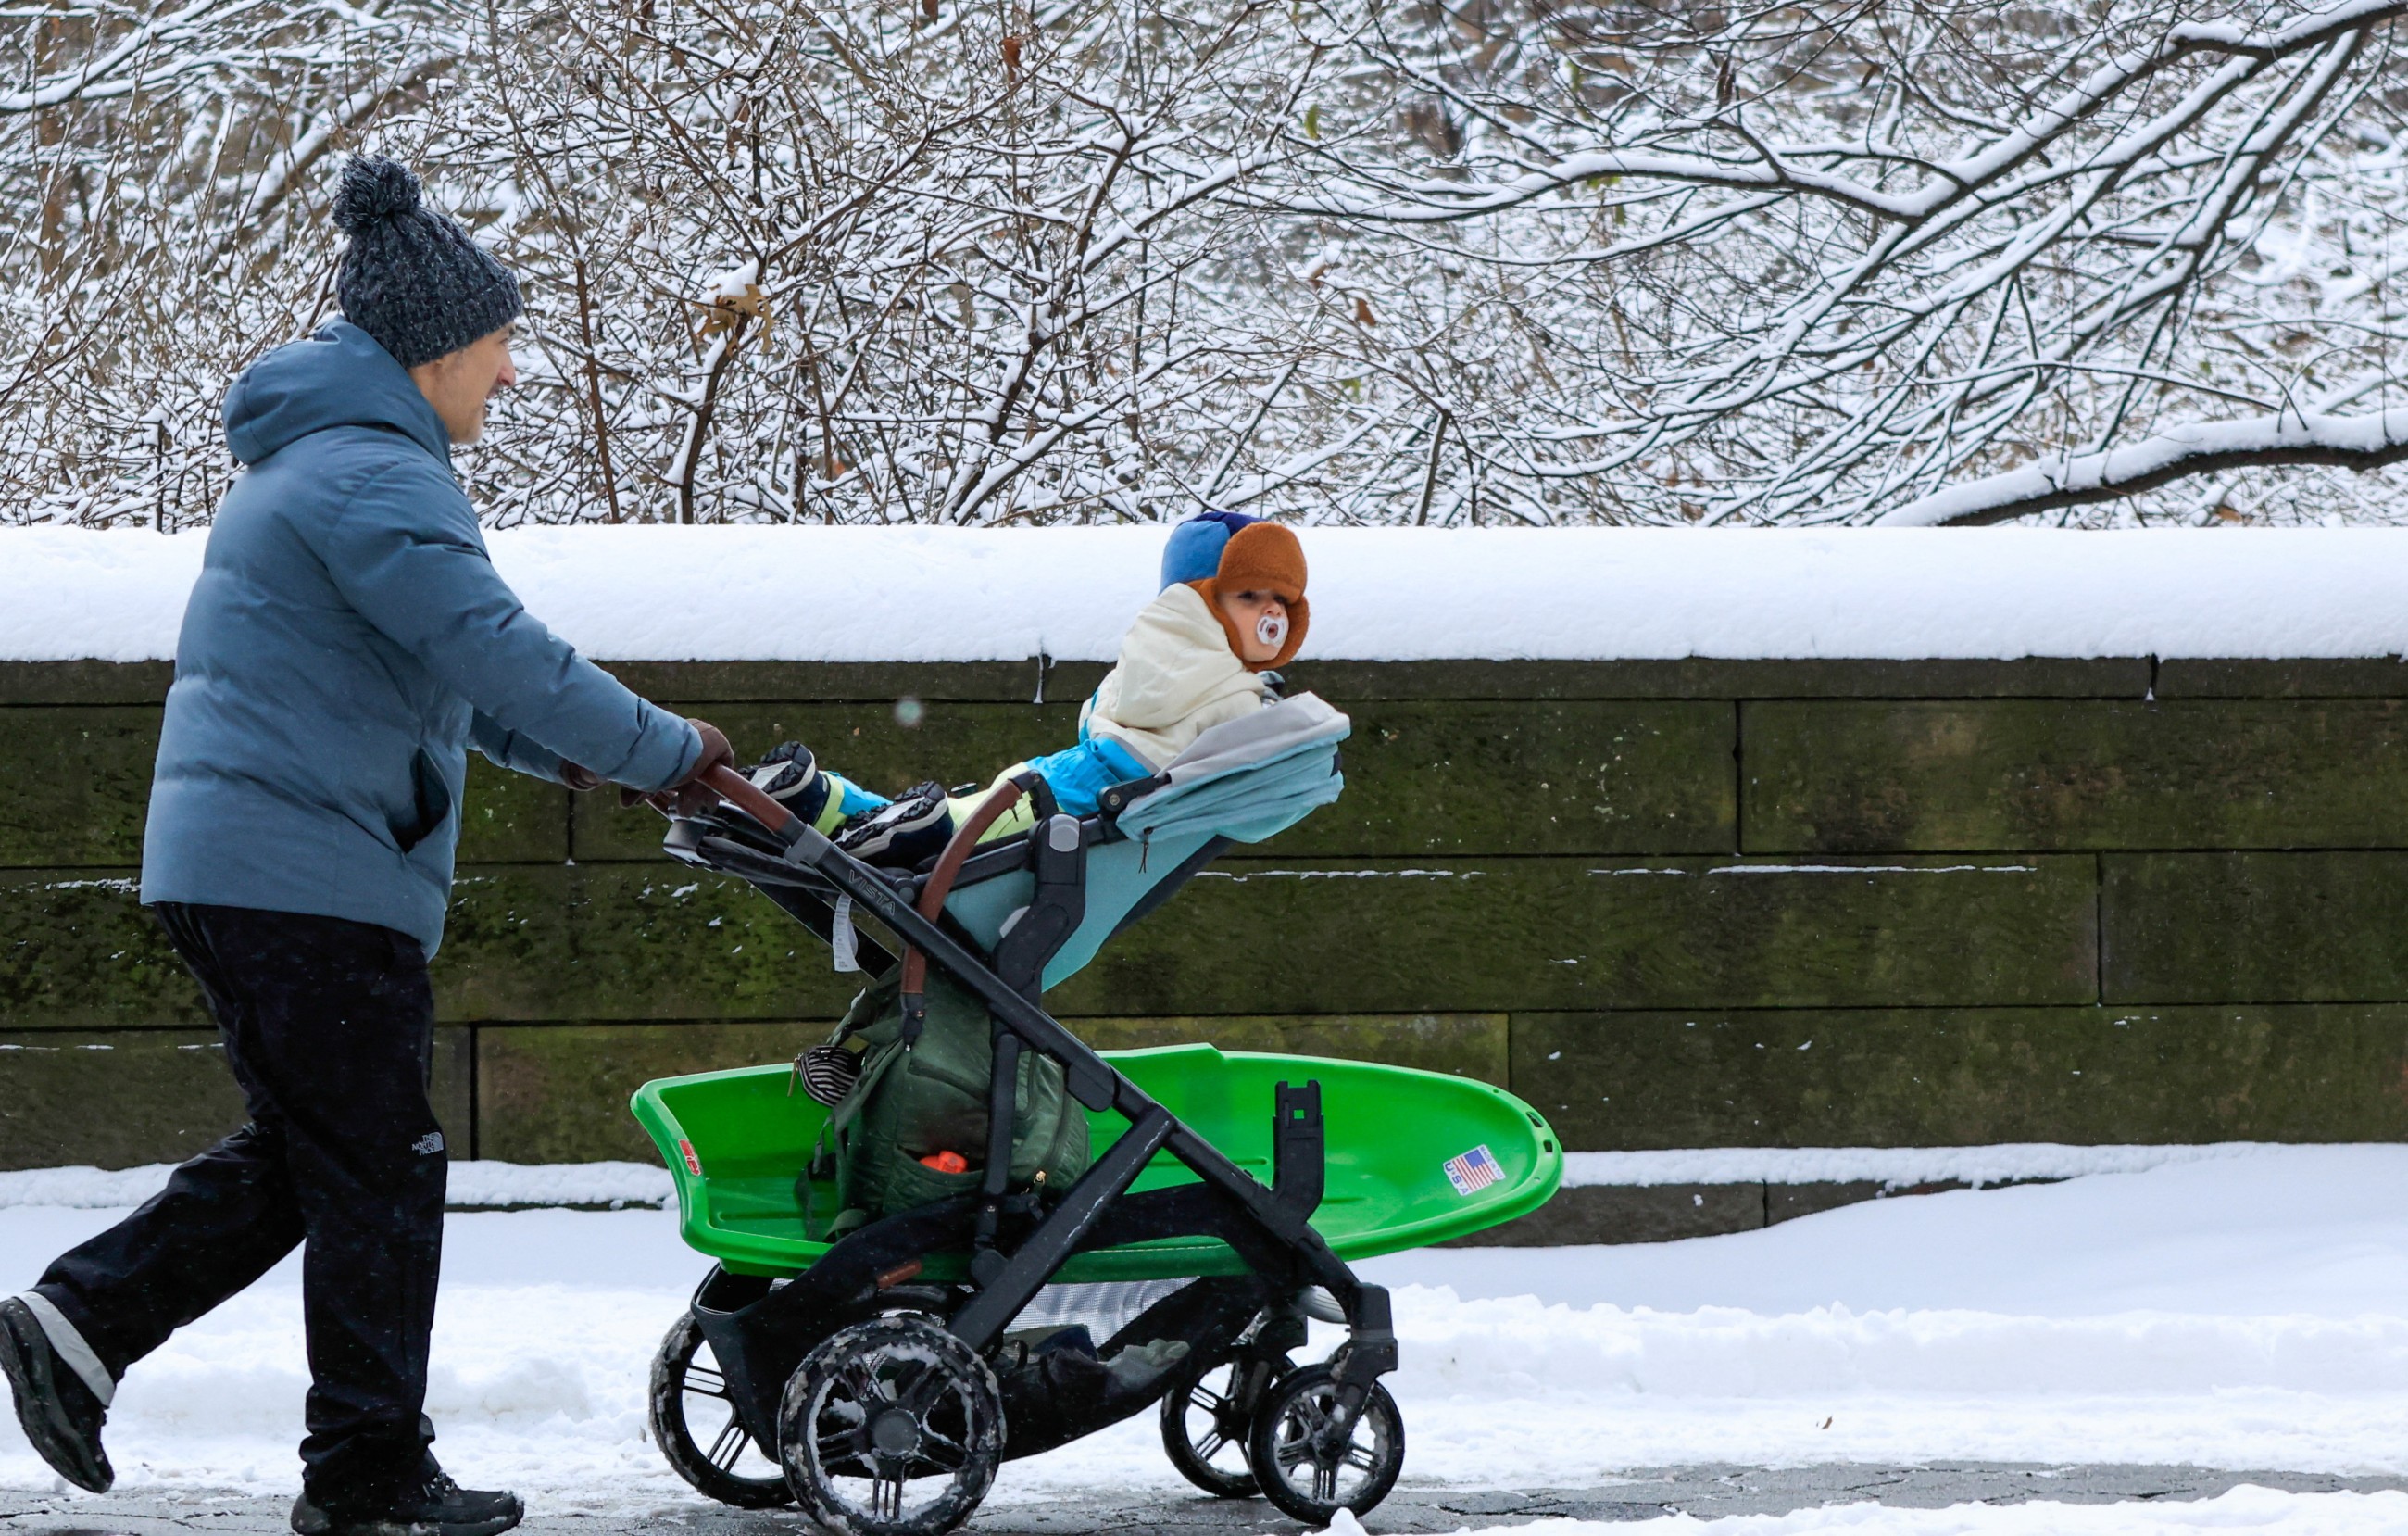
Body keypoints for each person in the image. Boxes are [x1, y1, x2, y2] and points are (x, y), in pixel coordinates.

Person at [0, 157, 733, 1536]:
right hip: (302, 873)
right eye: (502, 347)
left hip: (262, 865)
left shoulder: (332, 466)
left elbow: (438, 683)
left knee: (325, 1152)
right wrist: (666, 747)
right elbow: (492, 645)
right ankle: (365, 1476)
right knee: (378, 1167)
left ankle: (79, 1324)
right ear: (440, 350)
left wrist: (576, 755)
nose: (510, 376)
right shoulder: (371, 476)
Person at [748, 514, 1310, 867]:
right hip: (1077, 807)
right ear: (1199, 603)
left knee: (950, 820)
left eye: (1280, 601)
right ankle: (834, 816)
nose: (1270, 613)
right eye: (1249, 595)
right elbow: (1257, 798)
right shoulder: (1236, 697)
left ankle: (819, 800)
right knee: (942, 836)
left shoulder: (1151, 657)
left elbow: (1101, 714)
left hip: (1065, 778)